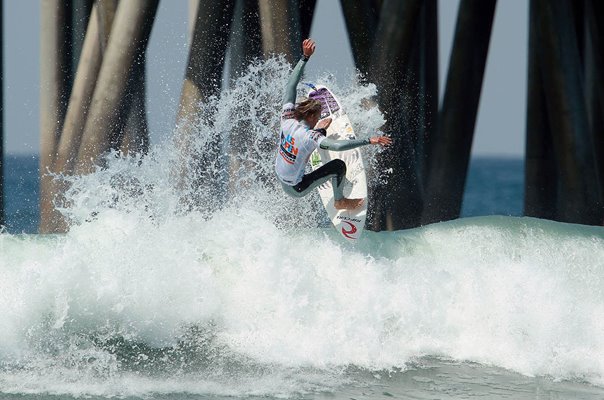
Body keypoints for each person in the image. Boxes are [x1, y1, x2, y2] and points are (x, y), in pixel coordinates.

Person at [274, 39, 392, 210]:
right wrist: (369, 140)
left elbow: (290, 87)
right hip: (296, 188)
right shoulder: (310, 136)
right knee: (338, 166)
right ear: (312, 117)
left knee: (315, 136)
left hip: (281, 177)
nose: (318, 119)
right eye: (318, 117)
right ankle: (340, 201)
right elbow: (337, 146)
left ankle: (321, 132)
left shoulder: (287, 119)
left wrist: (304, 58)